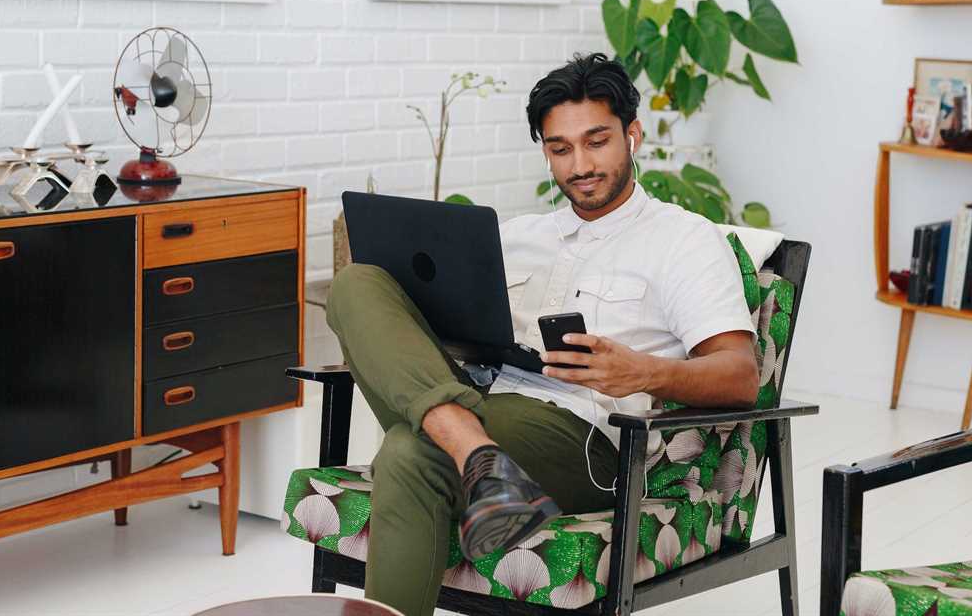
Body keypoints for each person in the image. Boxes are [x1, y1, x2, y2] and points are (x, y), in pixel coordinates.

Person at [324, 53, 760, 616]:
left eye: (596, 141)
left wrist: (644, 371)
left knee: (410, 450)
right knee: (356, 282)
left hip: (585, 442)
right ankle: (477, 452)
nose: (579, 164)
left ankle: (467, 448)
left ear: (633, 135)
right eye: (560, 149)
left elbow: (740, 377)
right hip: (477, 403)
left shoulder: (685, 242)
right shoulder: (513, 236)